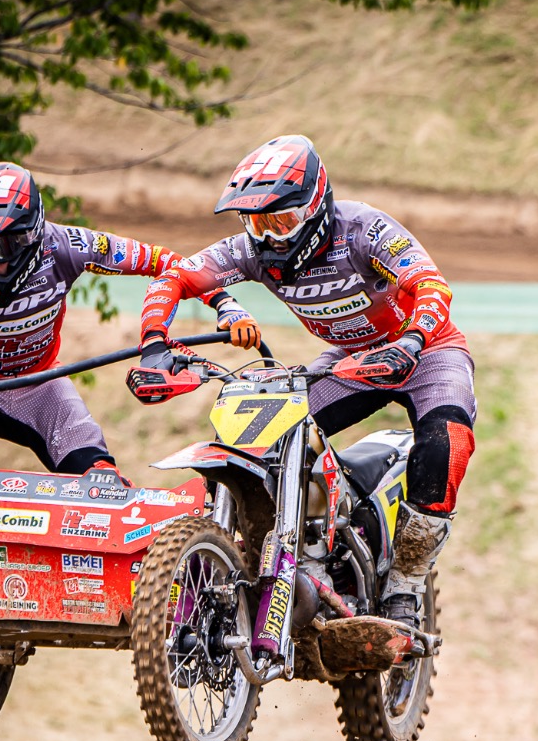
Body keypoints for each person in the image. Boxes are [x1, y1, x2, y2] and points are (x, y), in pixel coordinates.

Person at [0, 161, 264, 605]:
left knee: (103, 482)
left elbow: (167, 262)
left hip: (42, 387)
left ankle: (136, 580)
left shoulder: (67, 245)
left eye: (1, 243)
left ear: (31, 234)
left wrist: (225, 304)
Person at [134, 135, 475, 633]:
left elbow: (431, 285)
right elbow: (175, 277)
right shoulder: (250, 251)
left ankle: (405, 582)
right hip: (346, 361)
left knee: (447, 443)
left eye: (282, 221)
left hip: (428, 351)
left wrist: (412, 339)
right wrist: (153, 343)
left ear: (315, 207)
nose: (270, 238)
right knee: (265, 433)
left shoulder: (363, 229)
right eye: (256, 223)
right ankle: (277, 553)